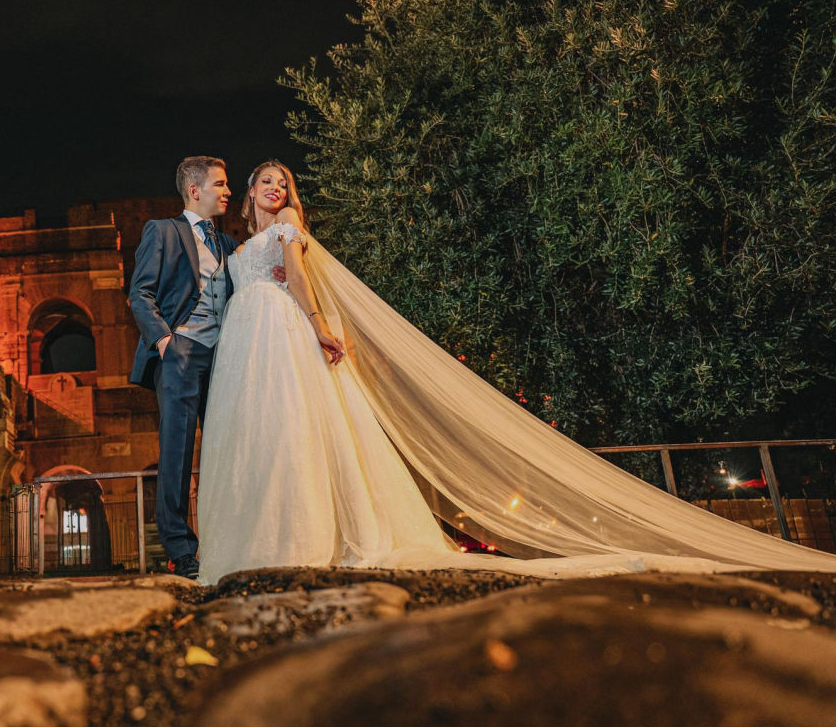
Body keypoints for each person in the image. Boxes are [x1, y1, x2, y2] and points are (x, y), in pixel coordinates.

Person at [195, 160, 836, 585]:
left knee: (294, 432)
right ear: (248, 192)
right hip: (250, 342)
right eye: (265, 183)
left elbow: (303, 280)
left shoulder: (287, 228)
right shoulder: (237, 242)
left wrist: (318, 326)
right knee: (262, 438)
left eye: (282, 182)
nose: (274, 190)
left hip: (283, 331)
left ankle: (300, 541)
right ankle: (257, 542)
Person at [128, 156, 238, 580]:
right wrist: (165, 341)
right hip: (180, 353)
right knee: (176, 453)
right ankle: (181, 551)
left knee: (225, 450)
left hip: (223, 356)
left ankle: (225, 541)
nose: (227, 191)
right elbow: (141, 293)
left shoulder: (228, 245)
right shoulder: (163, 231)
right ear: (195, 190)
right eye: (220, 184)